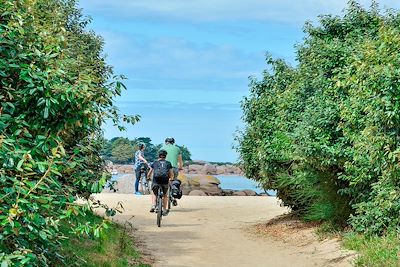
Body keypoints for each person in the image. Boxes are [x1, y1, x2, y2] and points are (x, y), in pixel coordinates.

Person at [147, 149, 173, 216]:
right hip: (165, 181)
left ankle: (153, 205)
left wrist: (148, 177)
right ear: (165, 156)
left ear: (159, 155)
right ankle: (164, 209)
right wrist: (171, 179)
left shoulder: (155, 163)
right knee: (165, 195)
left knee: (154, 193)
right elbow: (171, 173)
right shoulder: (168, 163)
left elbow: (150, 172)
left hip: (156, 181)